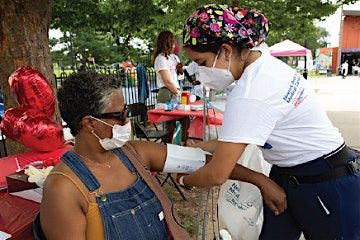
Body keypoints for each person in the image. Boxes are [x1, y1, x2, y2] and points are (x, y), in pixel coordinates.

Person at [178, 4, 360, 240]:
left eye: (202, 63)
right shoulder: (263, 64)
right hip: (291, 175)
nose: (200, 72)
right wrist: (198, 148)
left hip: (325, 181)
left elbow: (216, 173)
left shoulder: (249, 93)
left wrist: (185, 179)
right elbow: (233, 140)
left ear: (225, 50)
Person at [40, 71, 283, 240]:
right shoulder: (63, 188)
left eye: (128, 112)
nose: (128, 121)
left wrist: (260, 180)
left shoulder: (135, 154)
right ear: (89, 124)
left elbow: (201, 161)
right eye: (120, 115)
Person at [153, 31, 190, 145]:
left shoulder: (174, 58)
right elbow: (167, 81)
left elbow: (179, 77)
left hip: (175, 90)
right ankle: (167, 147)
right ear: (167, 42)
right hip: (166, 92)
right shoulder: (160, 59)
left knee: (185, 119)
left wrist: (180, 68)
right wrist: (179, 93)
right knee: (170, 123)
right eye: (173, 42)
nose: (175, 45)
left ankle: (184, 144)